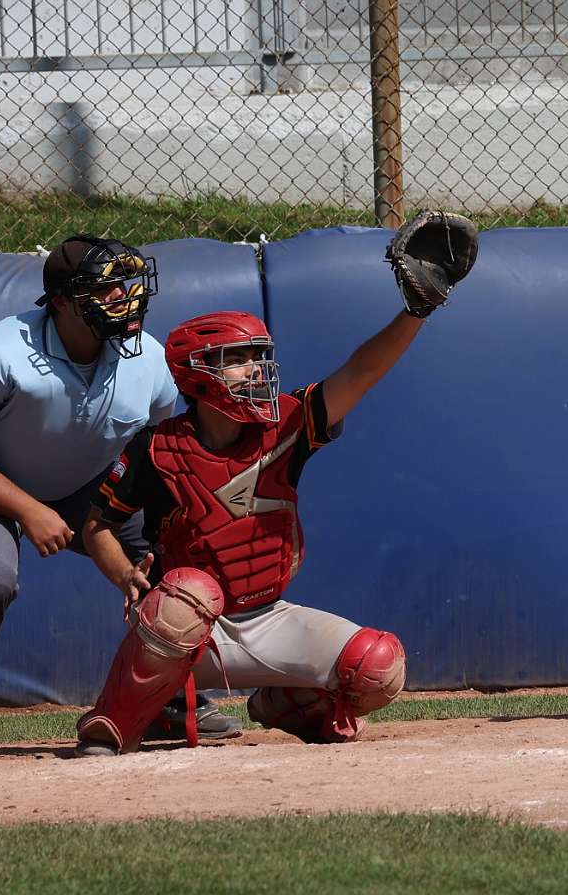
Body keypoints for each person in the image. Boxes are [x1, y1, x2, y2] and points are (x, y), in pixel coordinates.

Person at [71, 211, 477, 756]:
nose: (255, 370)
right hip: (188, 631)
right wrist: (126, 575)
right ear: (195, 373)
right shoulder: (157, 447)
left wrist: (415, 312)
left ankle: (283, 704)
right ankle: (118, 721)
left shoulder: (287, 424)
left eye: (258, 358)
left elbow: (361, 372)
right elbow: (98, 526)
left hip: (269, 617)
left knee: (378, 667)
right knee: (188, 595)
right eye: (236, 360)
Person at [0, 235, 240, 755]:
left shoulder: (149, 357)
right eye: (106, 290)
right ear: (61, 302)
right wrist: (28, 509)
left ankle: (163, 703)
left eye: (128, 286)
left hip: (87, 485)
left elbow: (162, 451)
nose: (125, 298)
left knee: (173, 565)